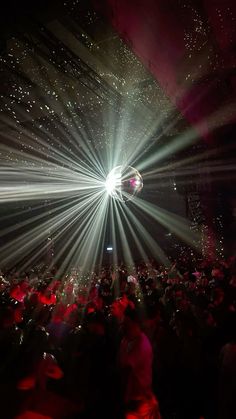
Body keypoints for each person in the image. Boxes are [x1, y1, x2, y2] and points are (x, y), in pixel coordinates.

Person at [119, 307, 161, 419]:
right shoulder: (126, 341)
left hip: (141, 402)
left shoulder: (141, 344)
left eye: (126, 323)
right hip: (133, 400)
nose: (122, 327)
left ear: (135, 324)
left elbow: (125, 367)